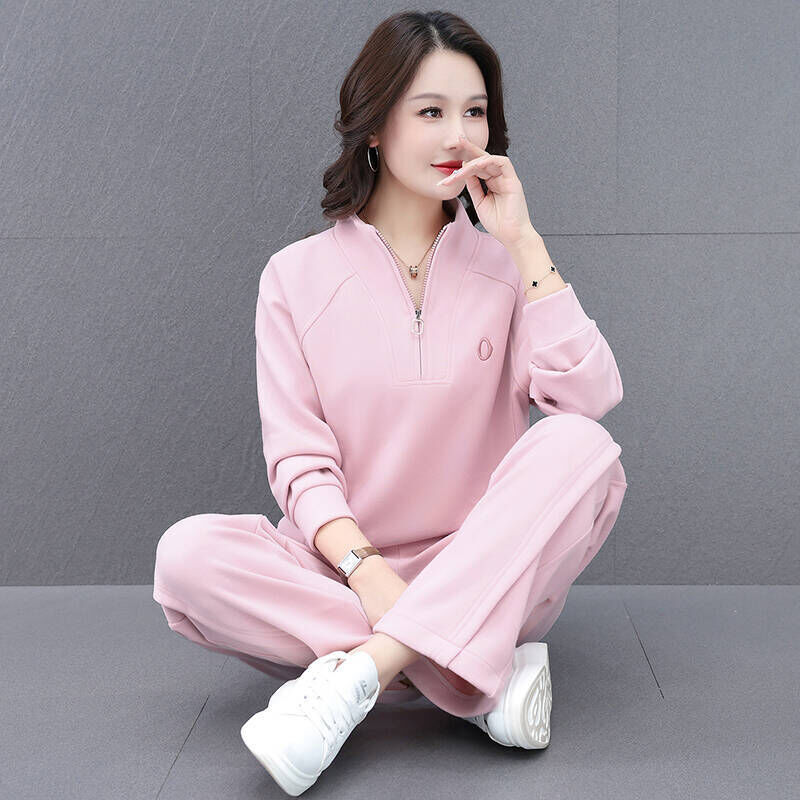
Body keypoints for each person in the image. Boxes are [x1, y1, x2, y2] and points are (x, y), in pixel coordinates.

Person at [152, 9, 628, 796]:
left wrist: (525, 243)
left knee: (582, 448)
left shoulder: (506, 270)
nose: (458, 136)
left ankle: (361, 674)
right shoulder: (295, 277)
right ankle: (475, 676)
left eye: (474, 112)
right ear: (375, 125)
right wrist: (366, 571)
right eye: (430, 111)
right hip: (345, 573)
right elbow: (300, 462)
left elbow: (590, 398)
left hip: (486, 566)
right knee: (186, 558)